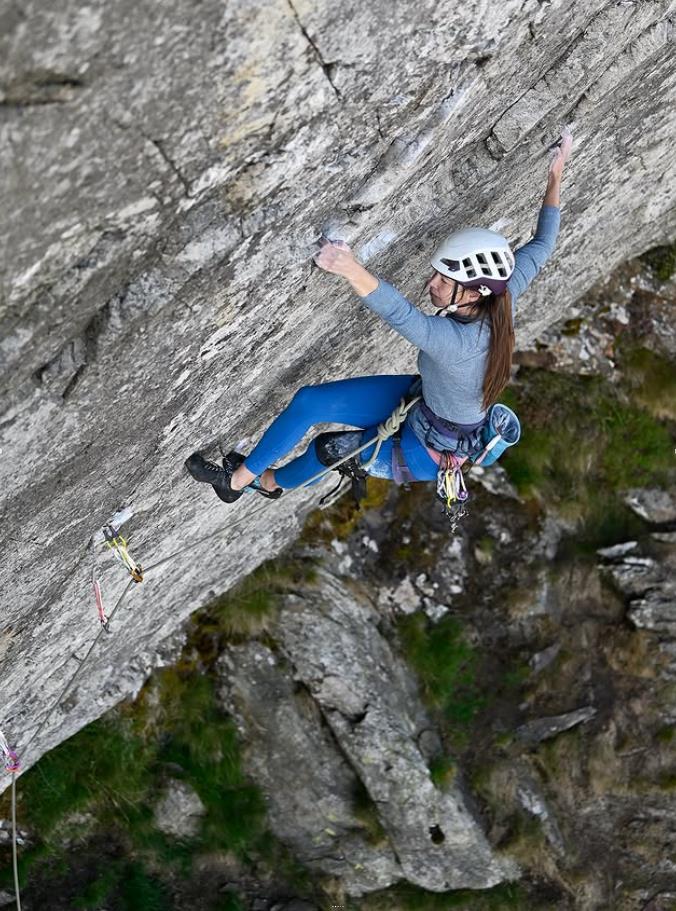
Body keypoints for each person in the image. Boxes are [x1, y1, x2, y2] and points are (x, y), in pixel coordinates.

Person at [185, 130, 572, 503]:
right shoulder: (501, 296)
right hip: (424, 404)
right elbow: (542, 244)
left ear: (473, 292)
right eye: (436, 271)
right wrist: (555, 174)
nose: (431, 283)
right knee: (309, 402)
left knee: (327, 449)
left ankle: (249, 483)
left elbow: (402, 315)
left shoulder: (458, 343)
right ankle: (248, 478)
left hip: (427, 452)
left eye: (444, 279)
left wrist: (348, 266)